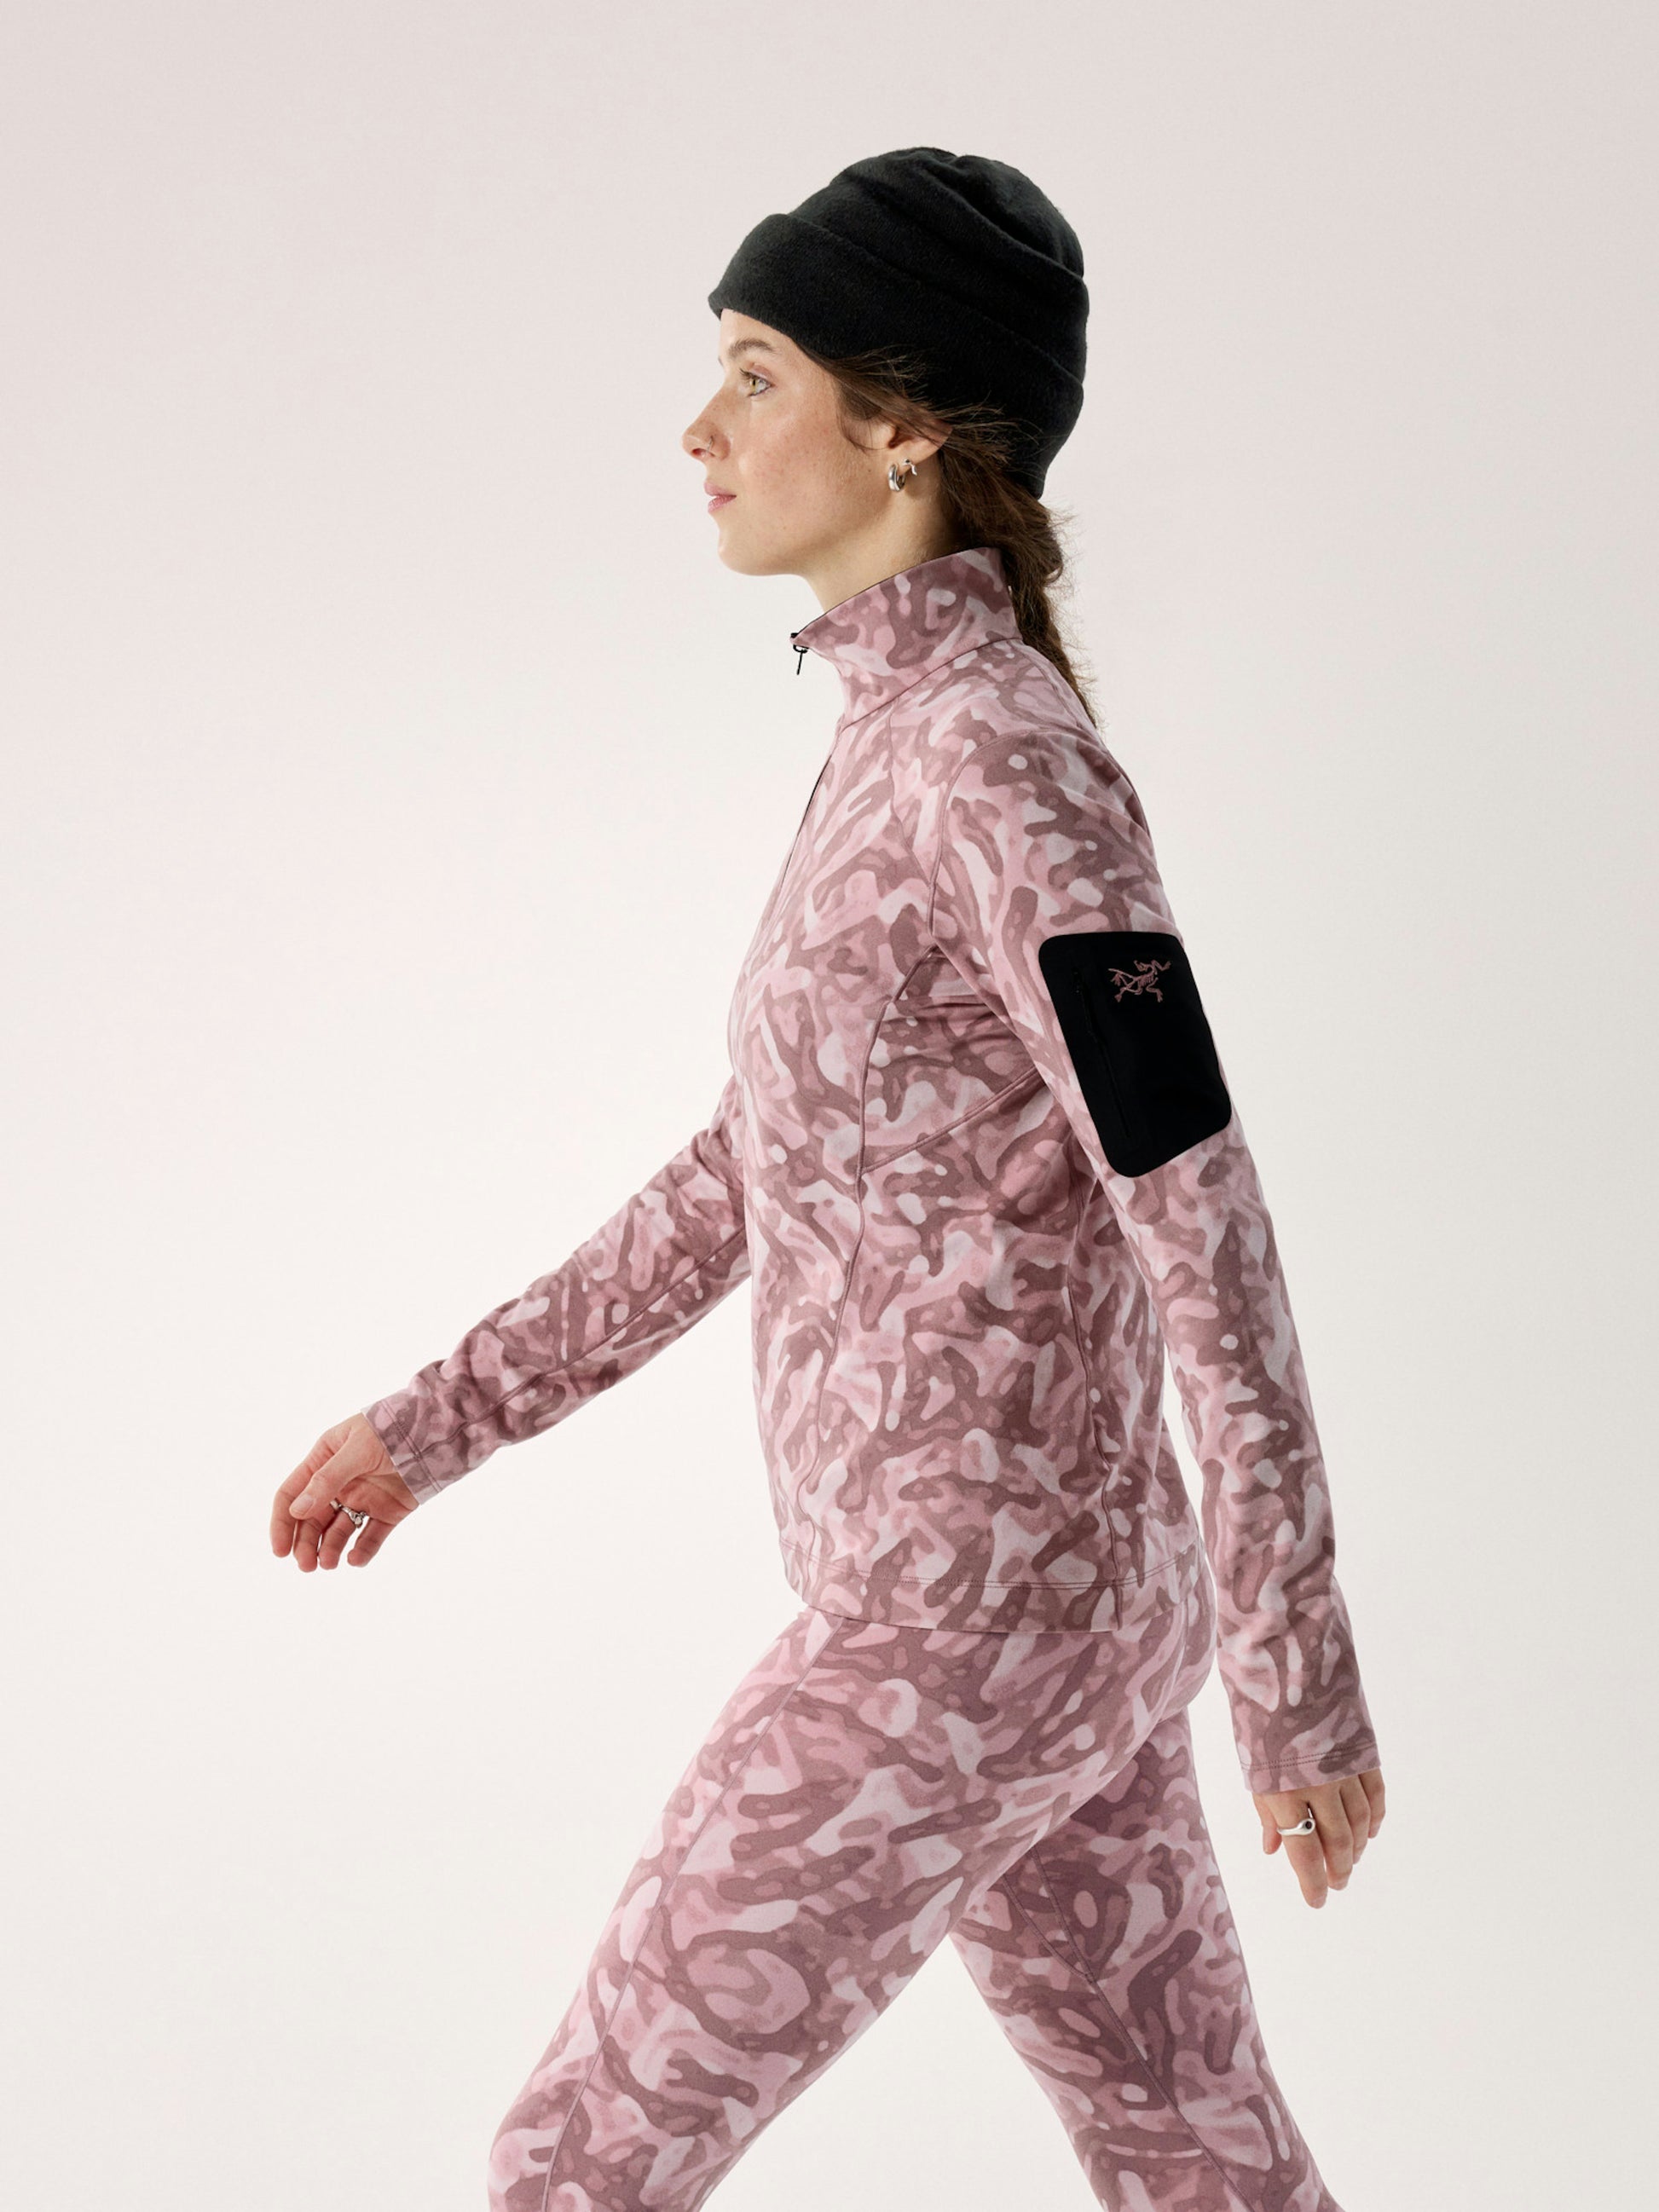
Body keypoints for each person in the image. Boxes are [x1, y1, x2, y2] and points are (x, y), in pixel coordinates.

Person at [269, 147, 1385, 2212]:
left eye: (755, 372)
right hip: (1048, 1615)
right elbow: (749, 1169)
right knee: (1195, 2151)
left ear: (902, 427)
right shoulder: (896, 736)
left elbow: (1195, 1194)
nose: (700, 427)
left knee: (576, 2161)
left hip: (960, 1632)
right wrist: (435, 1420)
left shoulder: (994, 758)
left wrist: (1293, 1661)